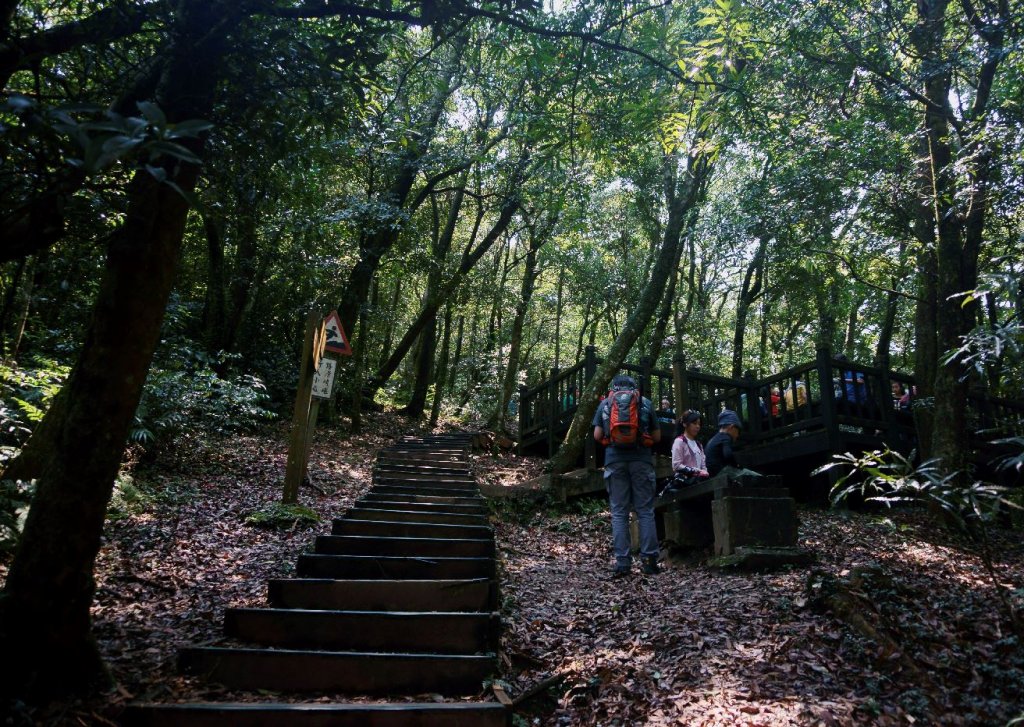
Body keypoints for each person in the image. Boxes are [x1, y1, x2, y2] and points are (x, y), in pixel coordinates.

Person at [592, 374, 662, 577]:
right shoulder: (645, 403)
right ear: (634, 388)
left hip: (615, 460)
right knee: (645, 511)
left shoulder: (606, 403)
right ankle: (649, 561)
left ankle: (623, 563)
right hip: (641, 460)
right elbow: (656, 436)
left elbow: (597, 435)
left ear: (614, 388)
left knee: (620, 513)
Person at [669, 410, 709, 489]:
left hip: (698, 481)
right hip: (684, 482)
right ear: (684, 424)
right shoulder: (679, 441)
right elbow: (676, 465)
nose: (697, 426)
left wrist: (704, 472)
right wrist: (696, 471)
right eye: (694, 423)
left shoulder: (699, 445)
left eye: (699, 424)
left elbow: (703, 465)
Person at [704, 409, 741, 476]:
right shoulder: (726, 437)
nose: (738, 435)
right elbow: (728, 455)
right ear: (731, 427)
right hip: (720, 471)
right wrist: (736, 466)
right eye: (738, 431)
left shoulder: (715, 438)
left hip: (710, 472)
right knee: (749, 475)